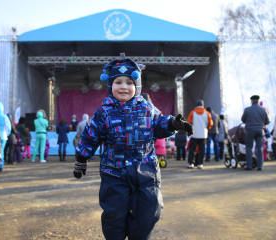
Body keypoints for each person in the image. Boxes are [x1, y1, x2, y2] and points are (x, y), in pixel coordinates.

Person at [73, 54, 193, 240]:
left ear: (136, 86)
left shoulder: (147, 108)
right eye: (118, 82)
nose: (123, 86)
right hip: (114, 173)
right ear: (110, 85)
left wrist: (172, 124)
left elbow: (159, 124)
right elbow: (90, 137)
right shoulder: (104, 113)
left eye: (129, 82)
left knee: (150, 210)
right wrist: (81, 160)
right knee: (114, 214)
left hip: (145, 170)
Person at [241, 95, 270, 170]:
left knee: (249, 148)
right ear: (259, 101)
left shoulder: (247, 109)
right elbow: (268, 121)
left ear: (252, 101)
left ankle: (249, 166)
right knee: (260, 148)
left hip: (250, 131)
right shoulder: (264, 109)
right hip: (260, 131)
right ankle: (260, 166)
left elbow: (243, 119)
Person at [186, 100, 213, 169]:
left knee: (192, 149)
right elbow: (210, 123)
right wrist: (207, 129)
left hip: (194, 134)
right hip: (203, 134)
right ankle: (200, 164)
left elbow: (188, 123)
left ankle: (191, 163)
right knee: (202, 149)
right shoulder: (207, 113)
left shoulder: (193, 113)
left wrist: (189, 132)